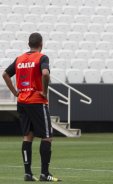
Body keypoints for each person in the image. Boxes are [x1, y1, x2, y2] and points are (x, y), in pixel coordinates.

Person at [2, 33, 61, 181]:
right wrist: (45, 92)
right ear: (41, 44)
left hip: (22, 101)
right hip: (36, 100)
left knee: (28, 136)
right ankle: (44, 173)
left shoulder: (19, 59)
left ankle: (28, 173)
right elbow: (46, 74)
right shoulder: (42, 57)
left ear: (29, 44)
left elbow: (5, 74)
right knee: (47, 136)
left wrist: (15, 92)